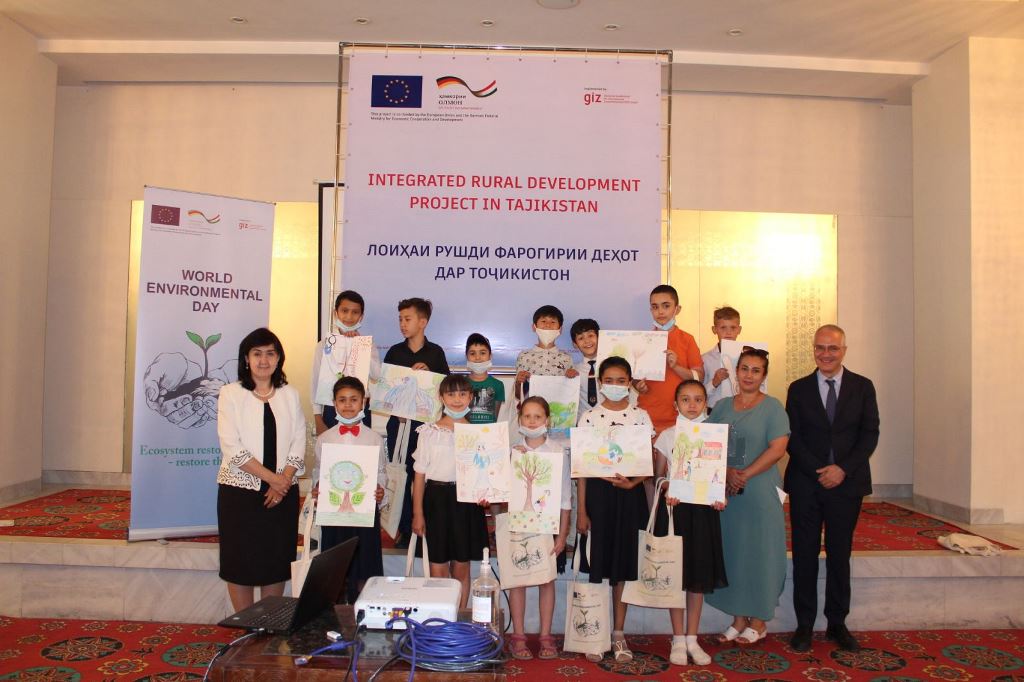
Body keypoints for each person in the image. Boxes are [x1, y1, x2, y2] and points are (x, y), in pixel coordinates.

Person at [785, 325, 879, 653]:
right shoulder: (798, 389)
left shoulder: (862, 387)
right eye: (820, 348)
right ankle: (804, 624)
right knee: (804, 555)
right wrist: (819, 471)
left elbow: (869, 434)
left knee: (840, 553)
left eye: (832, 348)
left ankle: (837, 622)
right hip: (806, 484)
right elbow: (792, 436)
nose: (825, 354)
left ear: (844, 351)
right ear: (813, 349)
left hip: (846, 485)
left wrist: (842, 469)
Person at [215, 328, 306, 611]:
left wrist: (283, 481)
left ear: (279, 359)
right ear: (246, 359)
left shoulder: (290, 395)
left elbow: (299, 440)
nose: (263, 360)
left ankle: (268, 626)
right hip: (240, 493)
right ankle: (245, 627)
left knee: (275, 562)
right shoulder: (230, 394)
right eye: (257, 354)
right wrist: (273, 480)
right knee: (240, 563)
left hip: (282, 494)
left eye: (270, 353)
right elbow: (231, 446)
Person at [705, 347, 789, 644]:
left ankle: (759, 619)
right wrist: (728, 472)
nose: (749, 375)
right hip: (727, 492)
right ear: (736, 372)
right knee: (734, 553)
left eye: (756, 370)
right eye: (744, 369)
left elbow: (778, 449)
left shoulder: (773, 407)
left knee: (760, 553)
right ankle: (738, 618)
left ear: (764, 375)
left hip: (760, 491)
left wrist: (745, 474)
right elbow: (709, 444)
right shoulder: (723, 407)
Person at [577, 356, 653, 663]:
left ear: (630, 383)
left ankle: (618, 634)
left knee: (623, 565)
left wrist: (632, 483)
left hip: (629, 497)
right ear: (600, 383)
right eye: (609, 380)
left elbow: (648, 461)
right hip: (598, 497)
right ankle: (595, 634)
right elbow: (582, 470)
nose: (615, 385)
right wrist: (582, 511)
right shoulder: (588, 418)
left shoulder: (641, 417)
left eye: (622, 381)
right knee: (597, 564)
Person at [653, 380, 728, 666]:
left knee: (698, 576)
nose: (692, 404)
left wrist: (719, 495)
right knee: (676, 576)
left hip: (704, 512)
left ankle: (693, 638)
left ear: (706, 403)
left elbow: (718, 474)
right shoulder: (667, 436)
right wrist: (668, 487)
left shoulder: (715, 435)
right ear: (676, 404)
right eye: (685, 399)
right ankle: (677, 638)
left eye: (698, 399)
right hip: (676, 511)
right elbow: (657, 477)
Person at [410, 374, 488, 608]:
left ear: (471, 397)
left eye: (462, 394)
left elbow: (484, 473)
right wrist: (417, 513)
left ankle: (460, 618)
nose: (457, 399)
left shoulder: (480, 434)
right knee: (438, 567)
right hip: (436, 502)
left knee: (462, 567)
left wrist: (486, 494)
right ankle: (442, 618)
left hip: (466, 504)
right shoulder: (429, 432)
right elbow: (419, 475)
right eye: (451, 394)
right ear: (441, 397)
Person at [504, 396, 571, 661]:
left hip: (547, 526)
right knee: (518, 580)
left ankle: (545, 635)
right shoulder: (512, 450)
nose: (532, 421)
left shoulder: (557, 452)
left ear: (547, 420)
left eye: (538, 417)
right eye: (527, 416)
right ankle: (518, 636)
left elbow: (565, 498)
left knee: (546, 579)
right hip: (517, 524)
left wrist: (562, 535)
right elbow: (500, 490)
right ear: (520, 419)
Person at [383, 297, 451, 548]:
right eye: (400, 319)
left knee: (424, 477)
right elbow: (385, 389)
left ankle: (425, 526)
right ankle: (401, 530)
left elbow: (445, 390)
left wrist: (429, 375)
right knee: (400, 475)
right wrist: (395, 410)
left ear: (422, 322)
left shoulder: (436, 353)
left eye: (408, 319)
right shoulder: (394, 352)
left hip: (426, 428)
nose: (402, 324)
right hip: (399, 426)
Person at [313, 376, 386, 602]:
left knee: (365, 568)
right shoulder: (324, 438)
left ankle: (363, 610)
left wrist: (380, 490)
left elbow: (381, 472)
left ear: (363, 402)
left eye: (354, 399)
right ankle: (334, 613)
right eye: (342, 400)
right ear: (334, 403)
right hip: (334, 516)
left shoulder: (374, 438)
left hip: (365, 515)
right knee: (335, 570)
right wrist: (317, 488)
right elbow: (319, 471)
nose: (348, 405)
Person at [636, 285, 704, 435]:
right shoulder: (643, 339)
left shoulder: (687, 339)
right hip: (647, 416)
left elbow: (699, 377)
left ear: (677, 309)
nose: (660, 311)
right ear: (651, 310)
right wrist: (638, 385)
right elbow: (635, 377)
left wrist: (676, 366)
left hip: (681, 418)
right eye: (655, 307)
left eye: (666, 306)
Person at [311, 290, 381, 434]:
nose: (349, 317)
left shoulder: (368, 344)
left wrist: (360, 346)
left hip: (361, 408)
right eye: (344, 311)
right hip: (331, 408)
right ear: (335, 313)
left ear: (361, 317)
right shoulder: (324, 345)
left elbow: (377, 375)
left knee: (362, 447)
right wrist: (318, 417)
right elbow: (315, 382)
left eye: (355, 312)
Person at [514, 304, 574, 404]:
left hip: (557, 411)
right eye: (543, 321)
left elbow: (570, 391)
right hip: (531, 410)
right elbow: (518, 395)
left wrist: (572, 377)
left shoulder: (566, 358)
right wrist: (518, 382)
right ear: (534, 327)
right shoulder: (524, 356)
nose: (548, 325)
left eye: (553, 322)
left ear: (560, 329)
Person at [701, 306, 742, 409]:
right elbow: (698, 394)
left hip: (741, 412)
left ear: (739, 329)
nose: (728, 332)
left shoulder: (748, 359)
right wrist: (714, 382)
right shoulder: (705, 359)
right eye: (723, 328)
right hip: (714, 412)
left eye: (733, 328)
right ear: (714, 329)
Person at [465, 333, 504, 425]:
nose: (477, 357)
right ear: (466, 356)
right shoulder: (460, 384)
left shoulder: (498, 385)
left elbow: (494, 417)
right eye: (472, 353)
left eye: (482, 353)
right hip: (465, 431)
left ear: (490, 355)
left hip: (488, 431)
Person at [569, 318, 601, 423]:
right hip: (583, 424)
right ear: (575, 344)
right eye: (581, 338)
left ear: (599, 337)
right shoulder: (573, 371)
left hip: (611, 422)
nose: (587, 341)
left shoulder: (613, 367)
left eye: (590, 335)